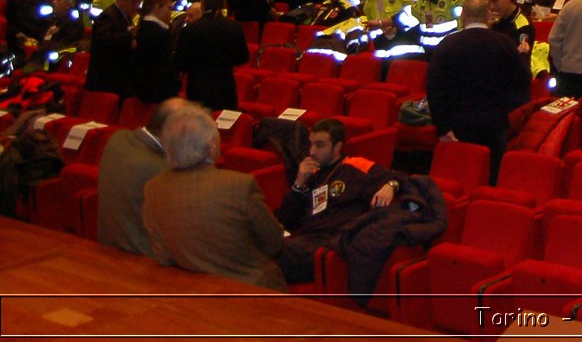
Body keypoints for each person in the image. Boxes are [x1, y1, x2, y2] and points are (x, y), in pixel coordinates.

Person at [142, 105, 287, 291]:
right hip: (252, 290)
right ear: (211, 146)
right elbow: (274, 242)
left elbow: (164, 255)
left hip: (191, 292)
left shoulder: (153, 188)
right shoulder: (239, 185)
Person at [276, 118, 402, 284]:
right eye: (311, 144)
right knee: (263, 242)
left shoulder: (355, 167)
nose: (312, 152)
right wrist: (299, 184)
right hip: (305, 241)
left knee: (272, 250)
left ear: (337, 147)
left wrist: (391, 185)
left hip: (332, 246)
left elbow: (401, 178)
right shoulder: (310, 173)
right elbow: (284, 221)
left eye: (319, 145)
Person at [426, 0, 531, 181]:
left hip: (457, 123)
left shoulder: (447, 44)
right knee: (489, 176)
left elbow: (434, 89)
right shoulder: (504, 43)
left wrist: (442, 127)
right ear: (488, 15)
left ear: (463, 16)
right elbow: (522, 80)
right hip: (495, 123)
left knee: (459, 177)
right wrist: (522, 57)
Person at [97, 97, 187, 257]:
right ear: (174, 132)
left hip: (108, 246)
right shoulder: (162, 171)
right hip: (144, 261)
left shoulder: (117, 139)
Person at [173, 0, 250, 111]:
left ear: (203, 4)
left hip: (198, 86)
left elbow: (181, 62)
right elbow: (242, 57)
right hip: (225, 85)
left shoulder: (191, 29)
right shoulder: (234, 27)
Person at [85, 0, 141, 98]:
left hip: (117, 76)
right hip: (105, 78)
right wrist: (129, 36)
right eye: (135, 2)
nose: (137, 7)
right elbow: (106, 40)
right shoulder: (108, 16)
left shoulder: (125, 16)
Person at [132, 0, 182, 104]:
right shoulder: (161, 32)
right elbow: (164, 63)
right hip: (159, 90)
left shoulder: (140, 28)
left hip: (140, 87)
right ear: (157, 7)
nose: (170, 12)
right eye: (168, 8)